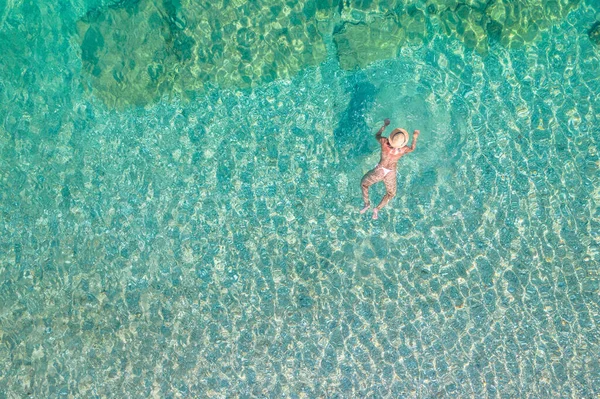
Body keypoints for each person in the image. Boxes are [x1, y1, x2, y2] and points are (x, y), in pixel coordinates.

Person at [360, 118, 420, 220]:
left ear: (392, 138)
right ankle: (377, 209)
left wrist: (385, 125)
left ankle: (366, 204)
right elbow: (412, 148)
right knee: (391, 194)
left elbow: (377, 135)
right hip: (390, 173)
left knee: (364, 184)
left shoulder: (384, 142)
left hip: (380, 170)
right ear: (402, 142)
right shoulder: (403, 149)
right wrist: (415, 137)